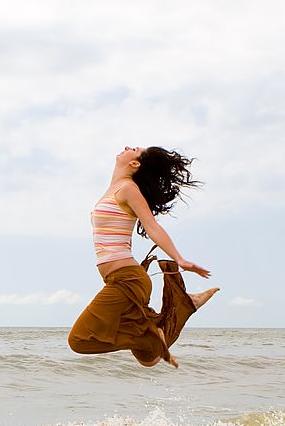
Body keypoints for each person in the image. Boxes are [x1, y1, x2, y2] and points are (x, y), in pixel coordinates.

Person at [67, 146, 219, 368]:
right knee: (149, 359)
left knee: (79, 340)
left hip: (127, 279)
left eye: (135, 149)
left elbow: (152, 227)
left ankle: (155, 331)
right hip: (118, 279)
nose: (128, 147)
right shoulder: (114, 189)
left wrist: (179, 259)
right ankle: (184, 305)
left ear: (135, 164)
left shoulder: (128, 188)